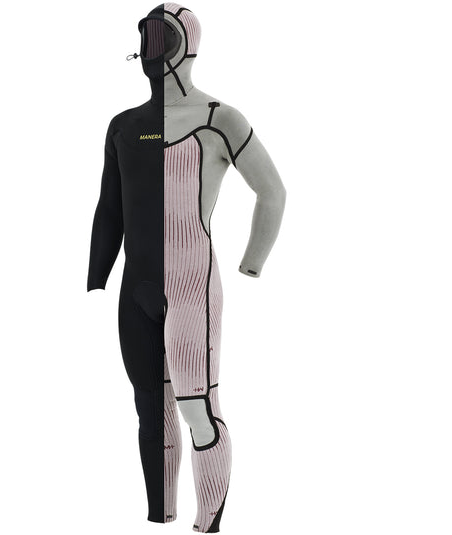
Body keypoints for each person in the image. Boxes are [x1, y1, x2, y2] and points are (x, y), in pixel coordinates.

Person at [88, 3, 286, 532]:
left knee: (197, 406)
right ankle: (161, 517)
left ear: (186, 45)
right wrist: (96, 276)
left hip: (192, 285)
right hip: (136, 288)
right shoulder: (123, 125)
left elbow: (272, 192)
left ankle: (208, 525)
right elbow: (109, 207)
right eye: (146, 39)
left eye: (162, 38)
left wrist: (252, 263)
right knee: (150, 408)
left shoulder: (220, 118)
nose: (151, 50)